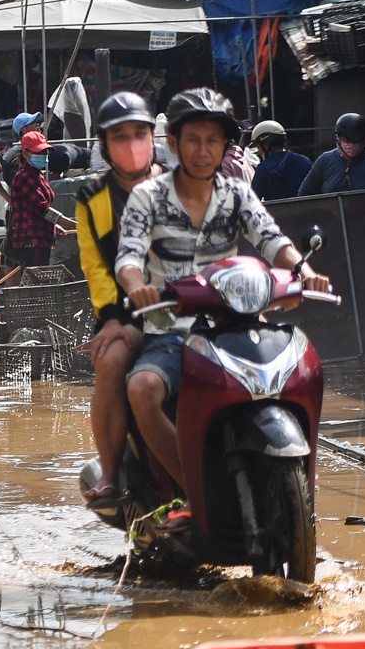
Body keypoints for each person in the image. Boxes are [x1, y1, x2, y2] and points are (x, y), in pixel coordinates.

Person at [117, 89, 330, 488]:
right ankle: (188, 490)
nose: (203, 150)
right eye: (193, 140)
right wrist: (137, 285)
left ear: (225, 146)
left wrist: (305, 271)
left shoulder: (237, 194)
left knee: (298, 373)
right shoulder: (147, 197)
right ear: (173, 143)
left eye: (213, 140)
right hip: (171, 329)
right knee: (142, 389)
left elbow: (271, 239)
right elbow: (129, 256)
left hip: (235, 326)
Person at [74, 92, 161, 507]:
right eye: (120, 136)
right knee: (109, 361)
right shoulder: (91, 198)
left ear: (154, 137)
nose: (131, 144)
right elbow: (95, 264)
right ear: (105, 145)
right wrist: (110, 319)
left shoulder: (181, 184)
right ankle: (110, 474)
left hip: (188, 306)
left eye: (139, 133)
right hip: (128, 313)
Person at [5, 130, 66, 267]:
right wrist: (76, 225)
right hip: (31, 242)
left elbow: (38, 212)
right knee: (34, 285)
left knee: (40, 283)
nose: (43, 156)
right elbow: (43, 209)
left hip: (42, 239)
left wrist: (55, 227)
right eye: (39, 153)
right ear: (25, 154)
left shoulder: (38, 176)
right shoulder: (24, 177)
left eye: (44, 152)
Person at [298, 113, 365, 194]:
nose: (351, 146)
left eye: (356, 142)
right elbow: (305, 192)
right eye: (347, 141)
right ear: (338, 138)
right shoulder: (325, 160)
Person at [248, 120, 311, 201]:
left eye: (258, 147)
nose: (259, 152)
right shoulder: (305, 162)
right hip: (308, 211)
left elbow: (252, 201)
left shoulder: (263, 169)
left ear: (266, 145)